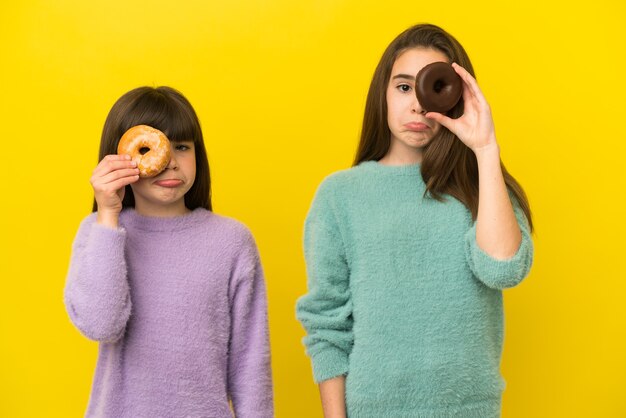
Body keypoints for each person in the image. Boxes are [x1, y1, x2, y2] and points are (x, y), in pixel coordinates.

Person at [296, 24, 533, 417]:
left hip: (469, 408)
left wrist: (485, 148)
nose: (418, 105)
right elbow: (327, 324)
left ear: (458, 98)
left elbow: (504, 270)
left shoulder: (482, 189)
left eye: (433, 88)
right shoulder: (341, 195)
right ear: (383, 95)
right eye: (404, 87)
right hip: (372, 408)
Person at [64, 86, 273, 418]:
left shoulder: (231, 241)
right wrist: (107, 214)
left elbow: (250, 366)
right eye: (153, 147)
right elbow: (101, 324)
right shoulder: (99, 233)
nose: (171, 162)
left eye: (182, 146)